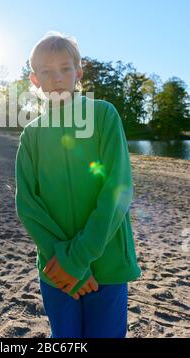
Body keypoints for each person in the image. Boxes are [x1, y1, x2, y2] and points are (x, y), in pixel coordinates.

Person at [15, 31, 142, 338]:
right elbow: (28, 205)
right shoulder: (31, 135)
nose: (56, 78)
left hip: (107, 264)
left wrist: (79, 258)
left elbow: (118, 189)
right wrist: (67, 264)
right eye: (46, 71)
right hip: (56, 268)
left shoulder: (103, 115)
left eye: (64, 68)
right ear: (34, 80)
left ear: (78, 73)